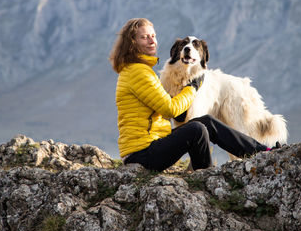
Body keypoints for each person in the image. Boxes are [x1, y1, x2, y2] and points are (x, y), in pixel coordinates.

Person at [109, 18, 277, 172]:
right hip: (142, 154)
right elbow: (170, 109)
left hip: (150, 147)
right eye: (145, 37)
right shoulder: (138, 73)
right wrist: (192, 88)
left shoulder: (141, 70)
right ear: (132, 43)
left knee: (206, 122)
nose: (152, 40)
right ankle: (206, 173)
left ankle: (262, 152)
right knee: (196, 129)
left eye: (153, 35)